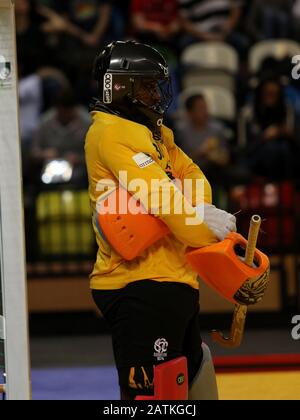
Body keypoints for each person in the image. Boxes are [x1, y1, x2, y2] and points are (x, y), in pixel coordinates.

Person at [85, 40, 236, 400]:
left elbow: (196, 177)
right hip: (138, 286)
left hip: (172, 280)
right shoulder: (110, 133)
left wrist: (193, 213)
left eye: (157, 85)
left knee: (196, 386)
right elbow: (166, 202)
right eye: (148, 85)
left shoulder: (156, 135)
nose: (156, 94)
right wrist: (196, 218)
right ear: (121, 88)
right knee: (151, 401)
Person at [175, 94, 230, 186]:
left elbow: (226, 158)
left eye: (206, 107)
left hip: (213, 171)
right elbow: (177, 161)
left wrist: (216, 157)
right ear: (190, 112)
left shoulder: (217, 129)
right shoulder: (180, 131)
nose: (205, 111)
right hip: (188, 172)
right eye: (200, 108)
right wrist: (201, 152)